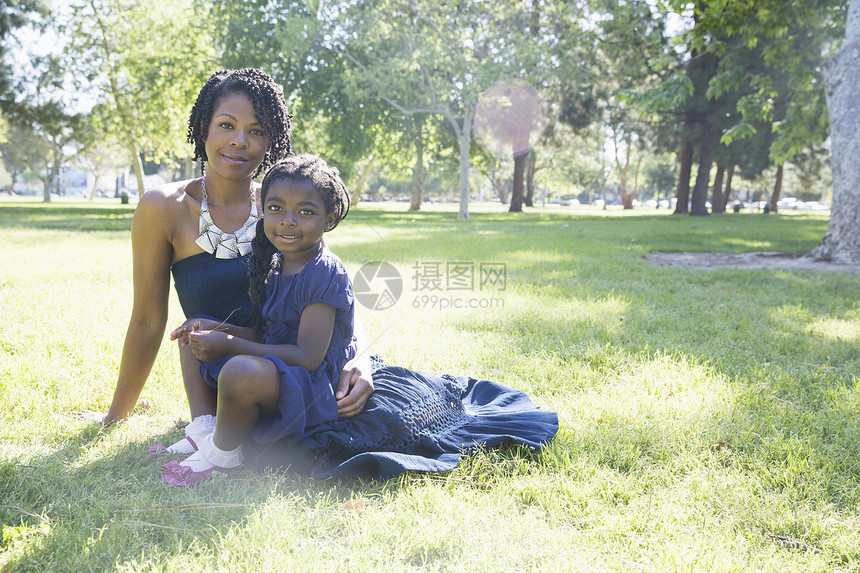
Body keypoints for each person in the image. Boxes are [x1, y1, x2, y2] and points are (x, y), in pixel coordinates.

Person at [95, 69, 374, 439]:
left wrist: (361, 361)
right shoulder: (162, 208)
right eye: (226, 125)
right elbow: (147, 321)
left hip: (290, 376)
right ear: (203, 129)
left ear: (271, 142)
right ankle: (204, 430)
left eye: (256, 131)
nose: (240, 141)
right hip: (217, 376)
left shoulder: (283, 207)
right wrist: (115, 417)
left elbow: (332, 297)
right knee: (194, 330)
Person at [162, 154, 356, 485]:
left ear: (329, 217)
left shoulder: (323, 270)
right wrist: (217, 329)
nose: (288, 220)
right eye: (276, 208)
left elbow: (308, 358)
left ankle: (223, 454)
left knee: (239, 368)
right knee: (195, 331)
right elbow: (265, 334)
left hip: (313, 386)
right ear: (262, 209)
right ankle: (205, 428)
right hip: (282, 370)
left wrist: (230, 345)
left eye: (306, 212)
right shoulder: (277, 263)